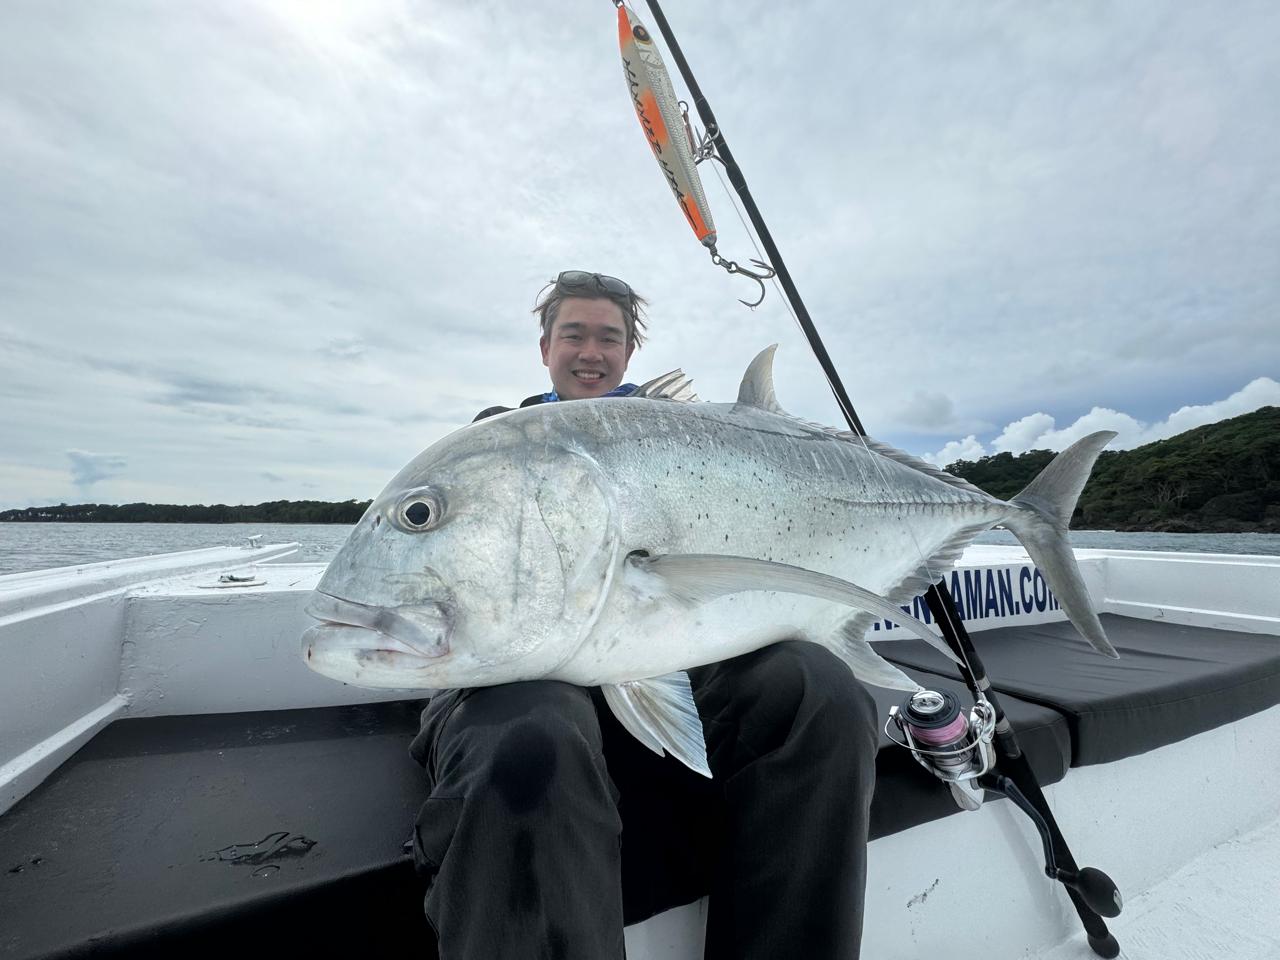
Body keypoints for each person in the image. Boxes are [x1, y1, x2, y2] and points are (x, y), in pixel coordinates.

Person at [409, 270, 880, 959]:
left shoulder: (697, 439)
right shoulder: (494, 446)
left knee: (822, 691)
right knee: (534, 731)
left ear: (630, 354)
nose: (591, 352)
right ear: (546, 348)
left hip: (673, 659)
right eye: (574, 335)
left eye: (610, 337)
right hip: (528, 677)